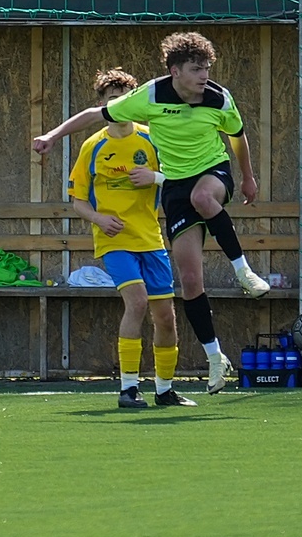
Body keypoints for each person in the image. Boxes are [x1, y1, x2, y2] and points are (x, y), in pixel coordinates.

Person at [34, 31, 267, 395]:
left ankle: (244, 273)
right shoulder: (146, 101)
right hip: (160, 202)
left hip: (208, 174)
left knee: (204, 199)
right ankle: (211, 359)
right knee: (189, 282)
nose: (204, 75)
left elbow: (237, 135)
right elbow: (93, 118)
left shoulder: (217, 100)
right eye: (196, 69)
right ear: (175, 71)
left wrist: (248, 177)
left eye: (206, 68)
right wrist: (51, 136)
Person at [69, 69, 193, 408]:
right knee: (137, 302)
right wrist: (99, 219)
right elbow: (78, 201)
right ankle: (128, 389)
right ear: (102, 104)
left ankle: (165, 391)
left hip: (151, 239)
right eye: (113, 99)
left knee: (165, 316)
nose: (119, 104)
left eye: (125, 98)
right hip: (115, 240)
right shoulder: (93, 146)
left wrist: (155, 177)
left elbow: (182, 178)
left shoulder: (152, 139)